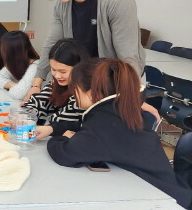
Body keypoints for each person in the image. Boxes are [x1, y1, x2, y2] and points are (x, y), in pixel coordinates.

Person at [45, 59, 192, 209]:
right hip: (168, 189)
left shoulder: (104, 125)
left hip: (165, 202)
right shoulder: (120, 110)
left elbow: (65, 154)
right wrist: (53, 129)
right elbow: (87, 127)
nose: (73, 94)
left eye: (74, 89)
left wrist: (61, 138)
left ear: (90, 94)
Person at [24, 0, 146, 102]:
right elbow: (51, 44)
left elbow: (128, 56)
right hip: (83, 81)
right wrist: (36, 84)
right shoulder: (61, 6)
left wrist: (132, 97)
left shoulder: (117, 1)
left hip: (116, 81)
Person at [21, 39, 89, 126]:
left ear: (79, 68)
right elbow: (40, 100)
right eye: (53, 69)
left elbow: (62, 121)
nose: (57, 76)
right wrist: (25, 115)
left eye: (63, 72)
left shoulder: (86, 90)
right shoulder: (56, 82)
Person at [0, 31, 40, 100]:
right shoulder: (15, 63)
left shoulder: (35, 67)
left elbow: (18, 94)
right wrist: (16, 86)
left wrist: (18, 88)